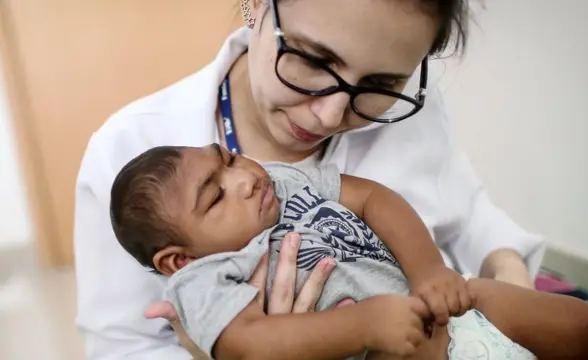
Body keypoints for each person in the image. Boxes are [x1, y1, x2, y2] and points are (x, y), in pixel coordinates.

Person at [73, 0, 545, 358]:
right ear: (257, 4)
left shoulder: (412, 108)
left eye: (381, 85)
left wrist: (509, 277)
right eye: (314, 61)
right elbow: (124, 347)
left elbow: (465, 214)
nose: (330, 113)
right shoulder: (125, 148)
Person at [107, 144, 588, 360]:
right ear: (177, 260)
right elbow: (247, 341)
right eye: (216, 194)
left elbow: (373, 198)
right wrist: (363, 327)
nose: (243, 178)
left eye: (227, 160)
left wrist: (428, 269)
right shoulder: (201, 281)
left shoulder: (281, 182)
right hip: (390, 352)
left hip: (456, 310)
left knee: (584, 329)